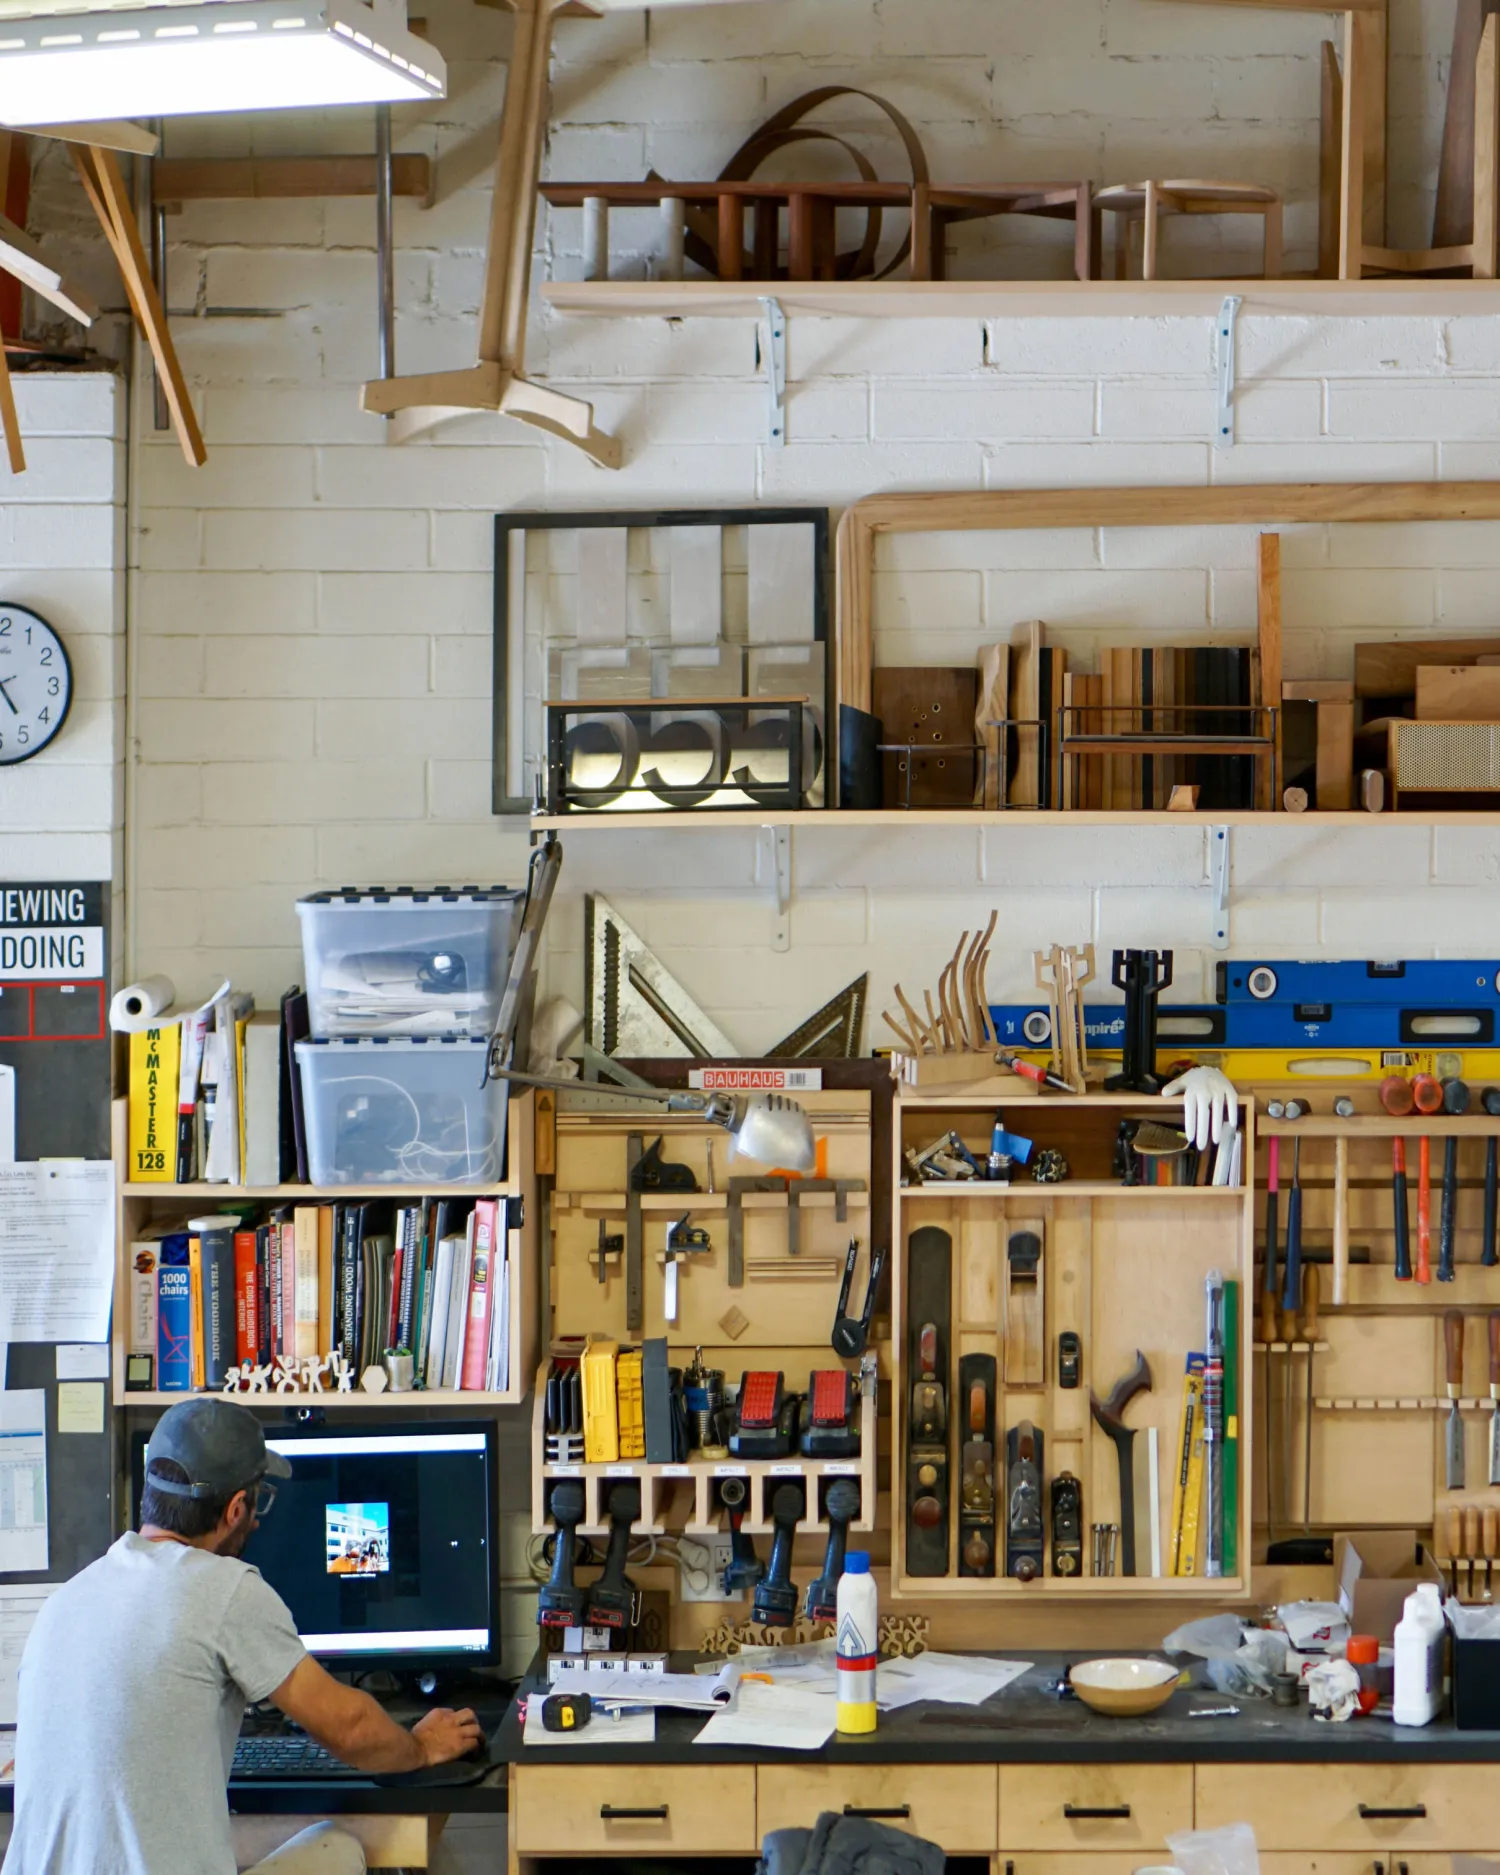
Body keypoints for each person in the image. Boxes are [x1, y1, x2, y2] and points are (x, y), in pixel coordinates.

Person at [3, 1398, 483, 1875]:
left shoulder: (65, 1600)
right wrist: (421, 1747)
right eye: (259, 1501)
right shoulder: (222, 1587)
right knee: (339, 1847)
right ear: (235, 1509)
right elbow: (350, 1728)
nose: (258, 1519)